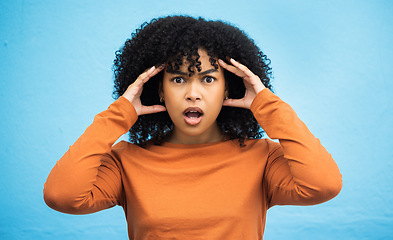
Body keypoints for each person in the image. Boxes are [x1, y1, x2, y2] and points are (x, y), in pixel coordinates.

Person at [44, 15, 342, 239]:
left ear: (229, 90)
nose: (192, 93)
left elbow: (323, 186)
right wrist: (119, 114)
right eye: (178, 79)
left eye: (208, 79)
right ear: (159, 91)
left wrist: (267, 104)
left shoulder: (262, 158)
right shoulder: (126, 161)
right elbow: (63, 196)